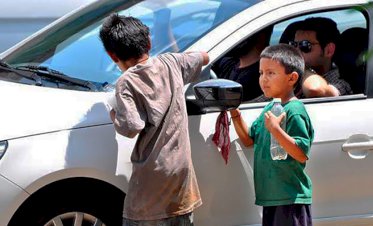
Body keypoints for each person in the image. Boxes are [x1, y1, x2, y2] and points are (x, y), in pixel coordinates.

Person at [99, 14, 209, 225]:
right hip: (181, 179)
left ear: (113, 56)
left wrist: (113, 115)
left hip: (151, 183)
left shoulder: (126, 82)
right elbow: (204, 57)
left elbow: (131, 127)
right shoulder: (171, 62)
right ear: (149, 42)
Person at [230, 44, 314, 226]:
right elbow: (248, 140)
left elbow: (300, 153)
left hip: (290, 198)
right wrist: (235, 114)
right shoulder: (270, 108)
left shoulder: (294, 110)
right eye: (261, 73)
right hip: (271, 198)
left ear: (292, 78)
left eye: (270, 73)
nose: (263, 79)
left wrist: (276, 129)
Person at [290, 17, 352, 97]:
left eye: (305, 45)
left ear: (329, 50)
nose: (296, 51)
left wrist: (300, 67)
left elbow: (315, 89)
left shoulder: (341, 82)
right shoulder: (292, 77)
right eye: (293, 45)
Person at [212, 26, 273, 101]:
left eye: (240, 33)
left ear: (261, 37)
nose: (234, 38)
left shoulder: (260, 79)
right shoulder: (228, 63)